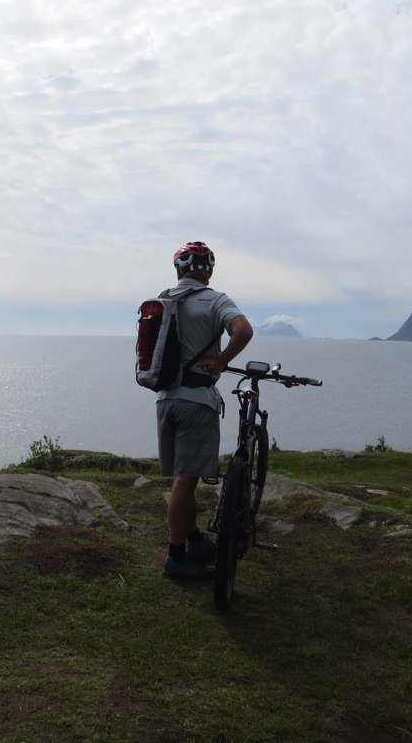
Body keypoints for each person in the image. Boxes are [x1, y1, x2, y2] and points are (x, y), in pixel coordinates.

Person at [156, 242, 254, 579]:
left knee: (183, 477)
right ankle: (176, 558)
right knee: (185, 481)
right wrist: (223, 360)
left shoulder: (163, 300)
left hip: (165, 399)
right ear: (209, 271)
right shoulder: (215, 300)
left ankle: (195, 540)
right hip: (197, 401)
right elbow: (244, 331)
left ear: (178, 270)